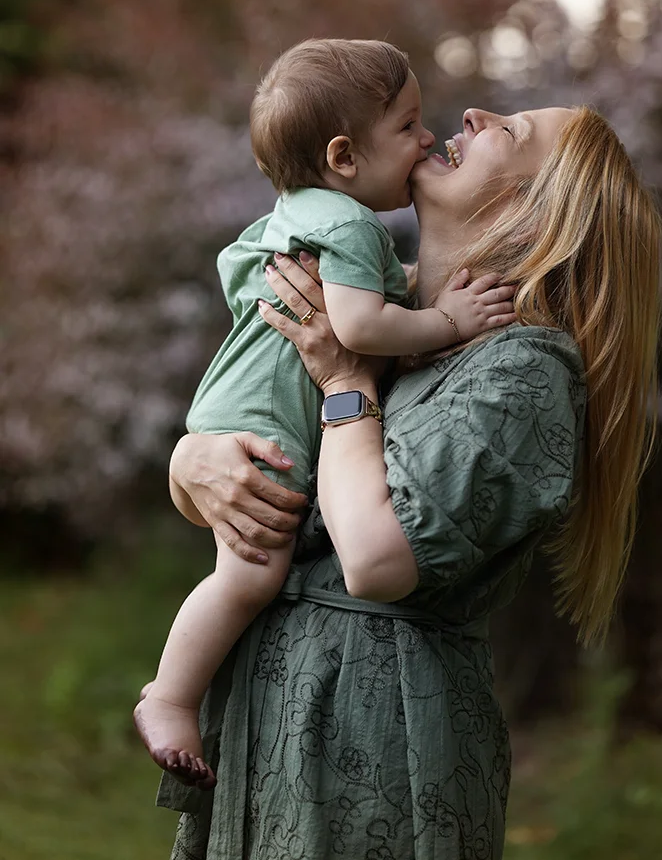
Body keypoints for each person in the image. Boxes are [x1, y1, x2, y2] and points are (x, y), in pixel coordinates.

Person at [152, 103, 662, 860]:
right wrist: (192, 462)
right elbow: (258, 469)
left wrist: (343, 382)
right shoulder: (369, 316)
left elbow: (374, 558)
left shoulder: (523, 371)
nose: (474, 112)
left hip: (378, 746)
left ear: (536, 210)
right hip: (266, 725)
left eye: (511, 132)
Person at [134, 39, 516, 789]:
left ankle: (175, 694)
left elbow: (267, 280)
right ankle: (170, 696)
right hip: (266, 422)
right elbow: (360, 327)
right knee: (250, 575)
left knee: (245, 566)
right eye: (407, 126)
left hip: (239, 405)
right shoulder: (347, 226)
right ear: (343, 156)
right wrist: (449, 321)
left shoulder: (305, 216)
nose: (427, 137)